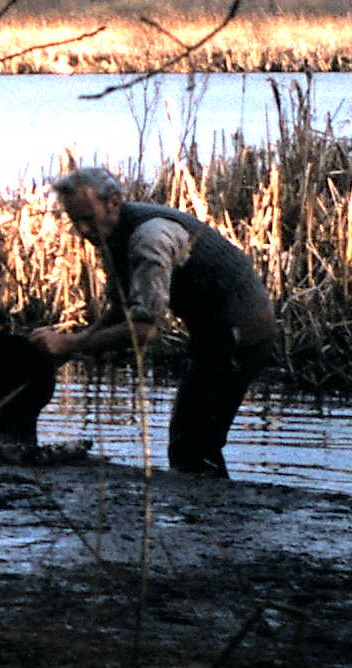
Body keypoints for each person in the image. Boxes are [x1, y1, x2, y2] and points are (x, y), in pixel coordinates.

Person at [19, 165, 278, 476]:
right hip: (214, 332)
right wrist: (69, 347)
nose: (84, 231)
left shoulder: (148, 237)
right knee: (189, 441)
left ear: (113, 202)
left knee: (193, 443)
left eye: (88, 219)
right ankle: (206, 511)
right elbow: (122, 310)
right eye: (77, 222)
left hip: (242, 334)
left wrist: (72, 342)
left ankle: (213, 515)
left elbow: (146, 330)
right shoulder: (113, 233)